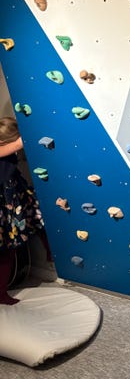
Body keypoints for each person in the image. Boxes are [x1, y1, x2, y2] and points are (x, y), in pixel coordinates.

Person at [0, 116, 47, 304]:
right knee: (6, 251)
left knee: (39, 218)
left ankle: (51, 253)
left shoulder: (9, 152)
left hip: (14, 198)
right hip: (5, 206)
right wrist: (20, 141)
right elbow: (14, 145)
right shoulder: (7, 147)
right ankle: (1, 293)